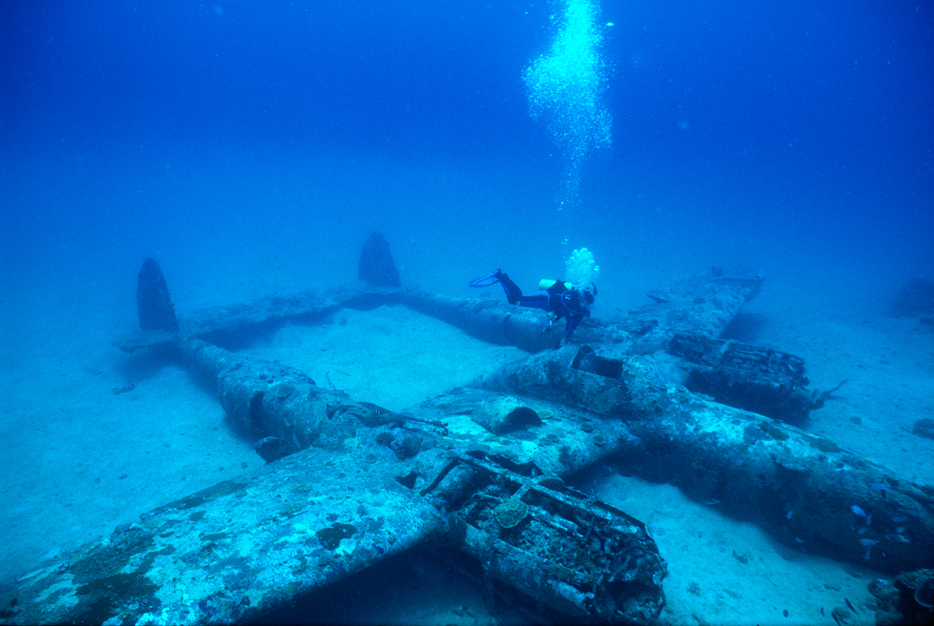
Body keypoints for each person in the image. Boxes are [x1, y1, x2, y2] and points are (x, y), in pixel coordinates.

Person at [470, 269, 596, 346]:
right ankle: (500, 277)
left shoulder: (580, 312)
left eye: (588, 307)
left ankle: (504, 277)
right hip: (543, 299)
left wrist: (564, 339)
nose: (586, 308)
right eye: (586, 305)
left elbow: (572, 325)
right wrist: (552, 312)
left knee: (517, 299)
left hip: (546, 305)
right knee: (516, 300)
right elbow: (553, 298)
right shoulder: (572, 299)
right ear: (583, 300)